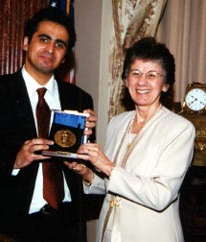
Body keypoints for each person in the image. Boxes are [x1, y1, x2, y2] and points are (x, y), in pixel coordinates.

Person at [0, 7, 96, 242]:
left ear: (65, 56)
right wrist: (14, 160)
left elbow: (86, 167)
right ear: (26, 42)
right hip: (9, 225)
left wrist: (86, 142)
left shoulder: (79, 99)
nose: (50, 49)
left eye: (60, 45)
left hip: (66, 224)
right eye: (44, 39)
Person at [66, 37, 195, 242]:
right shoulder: (117, 122)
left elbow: (160, 196)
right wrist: (88, 174)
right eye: (135, 73)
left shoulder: (179, 129)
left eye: (152, 75)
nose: (142, 81)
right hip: (109, 234)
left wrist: (106, 165)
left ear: (166, 84)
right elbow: (115, 184)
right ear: (126, 81)